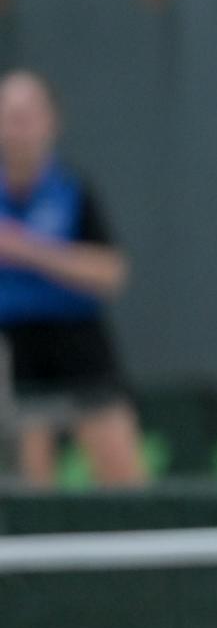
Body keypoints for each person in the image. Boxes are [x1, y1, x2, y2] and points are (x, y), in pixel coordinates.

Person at [0, 70, 146, 487]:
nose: (17, 129)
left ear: (51, 122)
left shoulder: (74, 191)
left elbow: (111, 272)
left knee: (125, 486)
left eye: (27, 116)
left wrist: (25, 249)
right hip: (14, 354)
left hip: (79, 346)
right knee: (29, 490)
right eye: (8, 116)